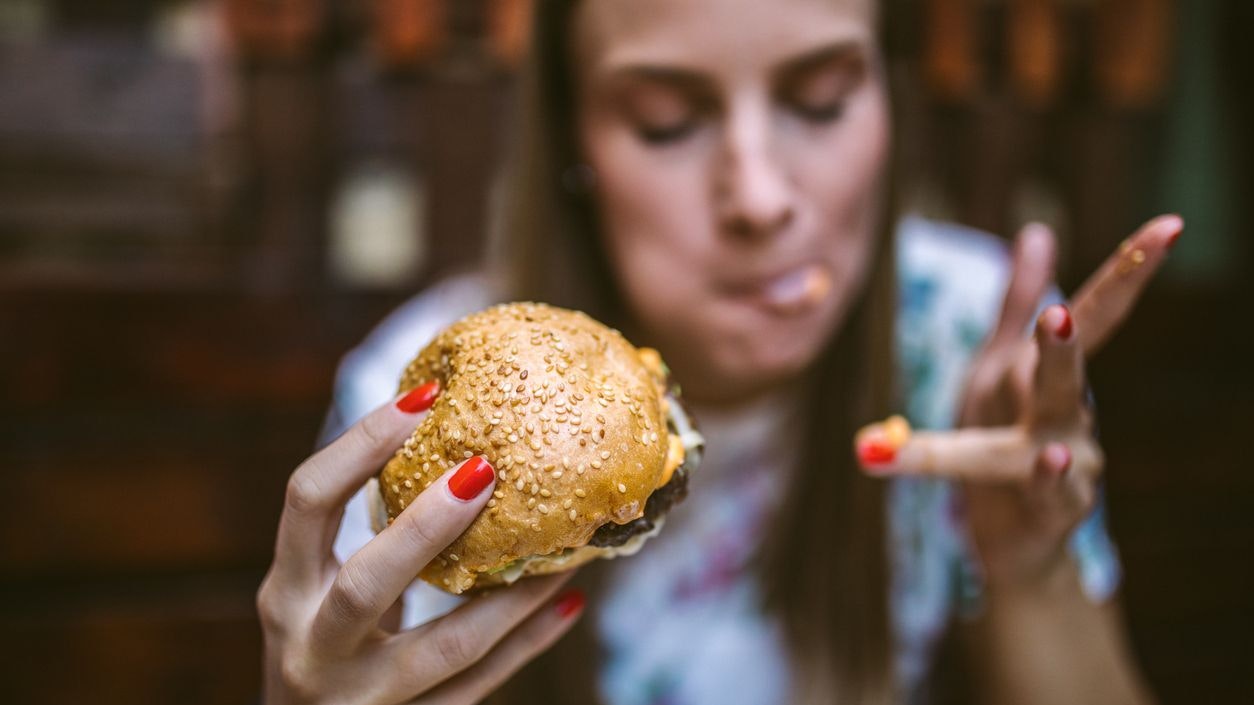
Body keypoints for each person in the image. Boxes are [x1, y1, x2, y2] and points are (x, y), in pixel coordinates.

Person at [256, 0, 1174, 703]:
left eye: (821, 101)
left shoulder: (974, 342)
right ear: (575, 140)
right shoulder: (422, 410)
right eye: (666, 120)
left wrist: (1033, 573)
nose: (762, 196)